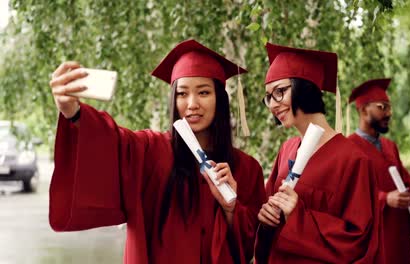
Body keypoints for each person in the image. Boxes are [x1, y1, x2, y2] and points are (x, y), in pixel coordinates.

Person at [48, 39, 266, 264]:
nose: (192, 104)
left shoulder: (246, 168)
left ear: (219, 99)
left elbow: (254, 247)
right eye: (182, 94)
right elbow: (111, 144)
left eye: (203, 92)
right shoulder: (150, 150)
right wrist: (73, 113)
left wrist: (230, 208)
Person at [254, 42, 381, 263]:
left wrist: (298, 215)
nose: (273, 104)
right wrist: (265, 218)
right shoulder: (286, 150)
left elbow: (359, 239)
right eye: (268, 97)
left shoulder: (353, 159)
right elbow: (267, 210)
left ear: (305, 87)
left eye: (280, 91)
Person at [347, 78, 410, 263]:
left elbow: (405, 184)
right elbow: (347, 197)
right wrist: (385, 198)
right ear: (362, 110)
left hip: (397, 237)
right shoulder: (347, 148)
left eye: (389, 107)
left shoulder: (390, 146)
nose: (389, 113)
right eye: (382, 107)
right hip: (371, 242)